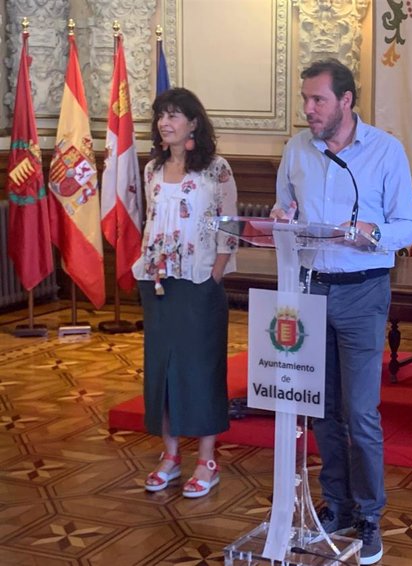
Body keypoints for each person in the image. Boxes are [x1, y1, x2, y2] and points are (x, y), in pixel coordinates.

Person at [271, 59, 412, 564]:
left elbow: (409, 225)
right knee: (323, 411)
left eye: (318, 100)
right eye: (305, 99)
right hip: (310, 289)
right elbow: (282, 208)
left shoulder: (385, 151)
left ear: (346, 101)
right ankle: (334, 505)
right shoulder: (296, 149)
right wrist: (280, 217)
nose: (308, 109)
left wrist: (372, 235)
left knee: (359, 412)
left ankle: (370, 514)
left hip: (362, 290)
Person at [133, 87, 238, 498]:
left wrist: (214, 272)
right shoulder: (152, 169)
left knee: (200, 369)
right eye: (161, 115)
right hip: (157, 282)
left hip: (198, 282)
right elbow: (152, 221)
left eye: (175, 115)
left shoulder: (216, 169)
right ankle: (170, 456)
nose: (165, 122)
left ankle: (207, 461)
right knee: (162, 370)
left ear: (193, 122)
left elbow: (229, 227)